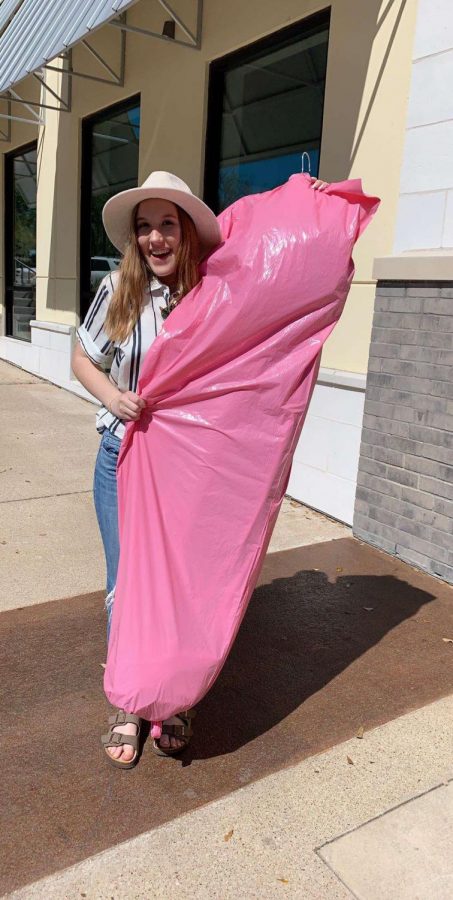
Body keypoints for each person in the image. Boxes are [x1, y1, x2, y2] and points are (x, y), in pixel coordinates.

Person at [72, 170, 328, 769]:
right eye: (145, 226)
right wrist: (113, 399)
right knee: (127, 585)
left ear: (186, 234)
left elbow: (281, 282)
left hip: (190, 468)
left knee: (183, 587)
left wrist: (309, 206)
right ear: (133, 237)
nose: (156, 238)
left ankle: (176, 699)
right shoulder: (118, 290)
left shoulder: (213, 293)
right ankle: (129, 704)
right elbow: (84, 359)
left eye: (168, 224)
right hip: (122, 457)